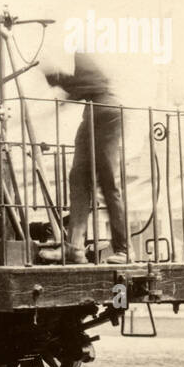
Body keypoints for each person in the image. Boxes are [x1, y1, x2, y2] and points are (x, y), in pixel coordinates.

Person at [37, 52, 129, 265]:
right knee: (79, 178)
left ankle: (124, 250)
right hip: (95, 112)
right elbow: (81, 86)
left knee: (108, 183)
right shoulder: (80, 56)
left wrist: (54, 76)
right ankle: (74, 249)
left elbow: (87, 82)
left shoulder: (82, 54)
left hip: (104, 111)